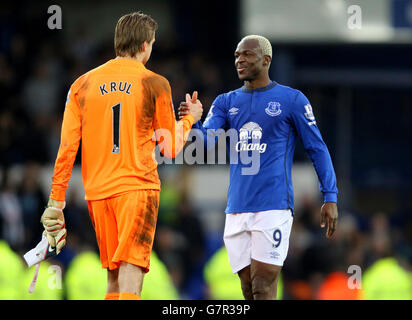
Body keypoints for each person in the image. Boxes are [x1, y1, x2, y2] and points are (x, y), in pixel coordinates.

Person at [40, 11, 203, 300]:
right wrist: (190, 119)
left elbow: (66, 148)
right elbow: (169, 147)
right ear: (144, 46)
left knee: (114, 278)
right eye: (151, 44)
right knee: (131, 271)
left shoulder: (82, 84)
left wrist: (56, 200)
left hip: (98, 193)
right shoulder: (155, 83)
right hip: (136, 187)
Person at [179, 35, 338, 300]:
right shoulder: (225, 102)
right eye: (237, 56)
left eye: (247, 55)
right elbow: (204, 143)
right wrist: (192, 121)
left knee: (263, 285)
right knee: (248, 289)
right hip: (237, 207)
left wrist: (330, 196)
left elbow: (317, 148)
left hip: (273, 205)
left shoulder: (292, 100)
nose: (240, 60)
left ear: (266, 60)